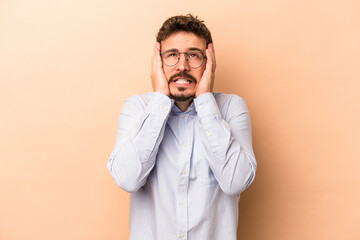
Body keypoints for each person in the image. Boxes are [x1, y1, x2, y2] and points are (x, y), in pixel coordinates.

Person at [107, 14, 257, 240]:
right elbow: (127, 179)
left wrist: (205, 99)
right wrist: (159, 100)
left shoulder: (230, 108)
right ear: (158, 62)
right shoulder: (137, 108)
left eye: (194, 56)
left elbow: (235, 182)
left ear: (208, 62)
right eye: (172, 55)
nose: (182, 66)